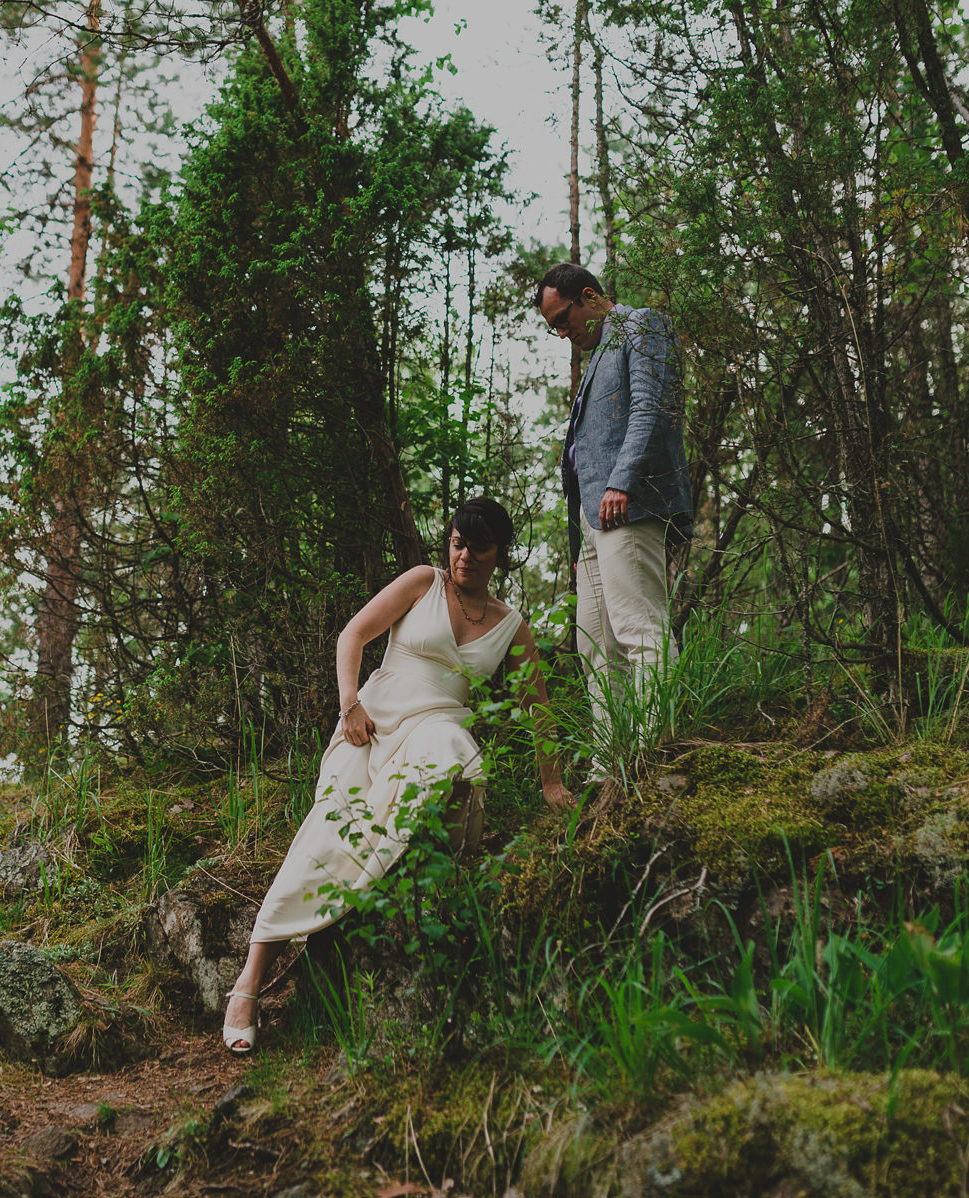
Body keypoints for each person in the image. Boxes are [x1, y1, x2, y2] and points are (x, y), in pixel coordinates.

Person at [221, 498, 573, 1053]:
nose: (463, 556)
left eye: (477, 548)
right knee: (327, 828)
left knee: (451, 743)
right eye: (457, 543)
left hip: (438, 728)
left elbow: (540, 709)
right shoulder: (422, 582)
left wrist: (550, 782)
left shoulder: (511, 627)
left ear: (500, 553)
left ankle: (396, 881)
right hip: (373, 724)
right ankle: (249, 982)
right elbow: (353, 636)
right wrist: (349, 705)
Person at [535, 264, 692, 754]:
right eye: (552, 327)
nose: (562, 333)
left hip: (629, 503)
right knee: (595, 646)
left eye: (563, 318)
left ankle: (654, 749)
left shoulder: (641, 324)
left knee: (638, 626)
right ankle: (614, 760)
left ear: (590, 296)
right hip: (592, 520)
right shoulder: (598, 349)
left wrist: (621, 484)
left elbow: (651, 408)